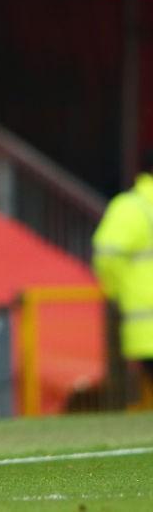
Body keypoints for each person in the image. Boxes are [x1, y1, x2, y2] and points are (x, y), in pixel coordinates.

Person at [92, 150, 153, 386]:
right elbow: (108, 257)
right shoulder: (134, 208)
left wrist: (117, 292)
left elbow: (106, 258)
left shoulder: (131, 208)